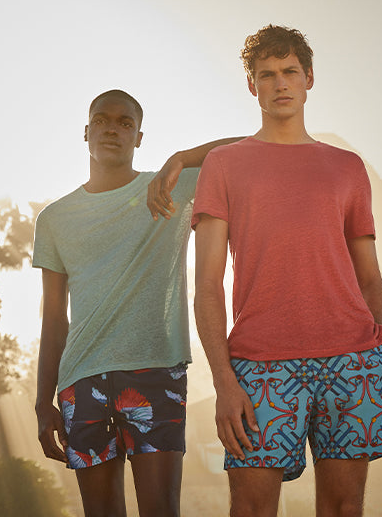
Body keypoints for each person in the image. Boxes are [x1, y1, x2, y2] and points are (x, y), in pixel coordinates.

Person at [192, 25, 382, 517]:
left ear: (309, 78)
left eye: (290, 72)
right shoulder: (223, 166)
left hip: (352, 362)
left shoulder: (347, 167)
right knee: (250, 508)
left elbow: (369, 277)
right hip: (258, 365)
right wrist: (224, 382)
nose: (280, 83)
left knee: (343, 508)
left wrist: (378, 352)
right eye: (267, 75)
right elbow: (206, 287)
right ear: (252, 86)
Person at [33, 88, 238, 517]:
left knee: (161, 509)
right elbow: (54, 318)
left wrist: (180, 158)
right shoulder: (54, 219)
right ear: (86, 131)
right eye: (103, 120)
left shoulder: (169, 187)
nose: (113, 128)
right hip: (80, 380)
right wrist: (42, 403)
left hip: (155, 370)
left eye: (126, 123)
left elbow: (248, 148)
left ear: (139, 137)